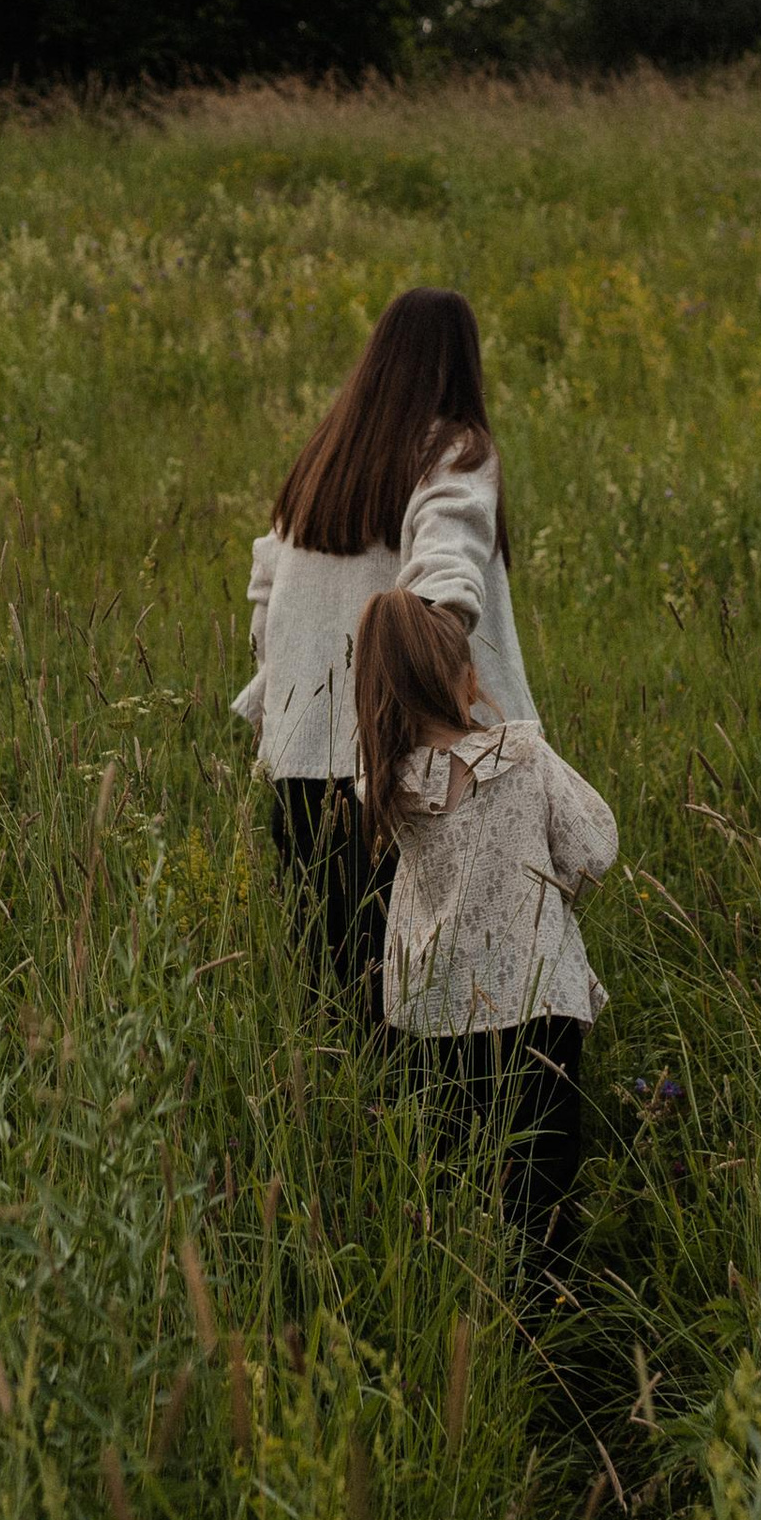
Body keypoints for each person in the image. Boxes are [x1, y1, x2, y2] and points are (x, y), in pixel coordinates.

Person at [233, 284, 532, 1009]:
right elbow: (447, 580)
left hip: (301, 771)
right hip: (398, 773)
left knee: (338, 1007)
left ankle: (349, 1128)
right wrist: (432, 698)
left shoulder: (322, 461)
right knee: (444, 1011)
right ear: (461, 362)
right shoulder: (454, 451)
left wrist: (286, 698)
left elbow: (264, 598)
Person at [349, 586, 615, 1277]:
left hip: (433, 1018)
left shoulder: (384, 782)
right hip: (537, 1009)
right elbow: (593, 848)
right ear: (466, 680)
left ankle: (474, 1306)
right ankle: (547, 1329)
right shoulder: (521, 758)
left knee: (459, 1177)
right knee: (543, 1186)